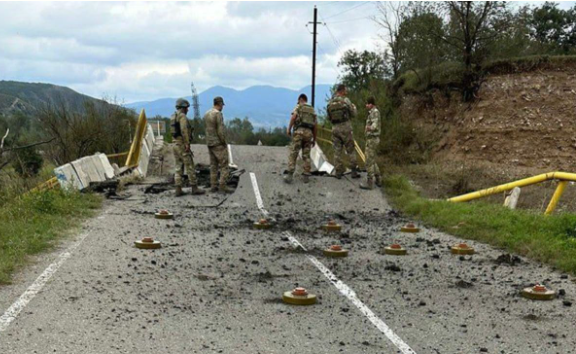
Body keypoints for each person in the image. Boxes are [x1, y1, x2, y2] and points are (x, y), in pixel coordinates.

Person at [170, 98, 205, 197]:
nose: (188, 110)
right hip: (181, 144)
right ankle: (194, 187)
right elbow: (184, 130)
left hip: (174, 144)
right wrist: (187, 143)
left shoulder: (173, 116)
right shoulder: (182, 117)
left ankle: (178, 189)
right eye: (187, 108)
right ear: (183, 107)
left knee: (178, 167)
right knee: (189, 165)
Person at [327, 84, 359, 179]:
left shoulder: (330, 102)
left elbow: (329, 117)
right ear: (342, 91)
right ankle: (353, 171)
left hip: (335, 128)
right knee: (350, 149)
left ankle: (338, 172)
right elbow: (353, 114)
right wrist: (354, 108)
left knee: (337, 150)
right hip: (346, 128)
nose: (346, 92)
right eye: (345, 90)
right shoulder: (346, 100)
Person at [285, 94, 317, 184]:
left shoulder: (298, 107)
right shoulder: (312, 110)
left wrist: (289, 129)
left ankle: (290, 174)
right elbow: (315, 125)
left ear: (300, 99)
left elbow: (293, 117)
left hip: (299, 132)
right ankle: (306, 174)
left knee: (294, 153)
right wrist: (314, 139)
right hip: (308, 134)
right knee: (306, 155)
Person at [203, 96, 232, 194]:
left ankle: (213, 185)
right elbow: (220, 130)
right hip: (218, 143)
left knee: (213, 165)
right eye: (222, 105)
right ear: (220, 104)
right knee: (224, 165)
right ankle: (223, 186)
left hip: (209, 143)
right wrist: (224, 142)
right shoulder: (218, 114)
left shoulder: (207, 114)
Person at [360, 96, 382, 190]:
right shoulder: (372, 112)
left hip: (372, 139)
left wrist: (369, 128)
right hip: (372, 139)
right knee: (372, 160)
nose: (366, 105)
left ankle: (370, 182)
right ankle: (378, 179)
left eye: (367, 103)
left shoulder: (374, 112)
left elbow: (374, 125)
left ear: (371, 104)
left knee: (368, 160)